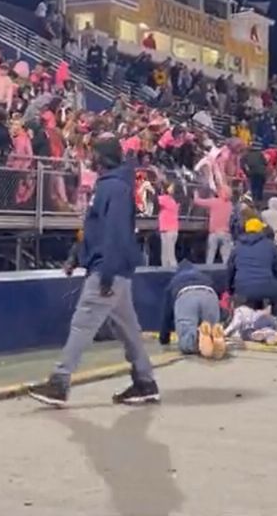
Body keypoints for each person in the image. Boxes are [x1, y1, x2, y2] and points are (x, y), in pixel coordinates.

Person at [30, 136, 159, 408]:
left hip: (107, 269)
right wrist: (76, 255)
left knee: (82, 324)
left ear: (103, 158)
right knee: (129, 331)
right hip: (112, 268)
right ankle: (145, 383)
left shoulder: (114, 188)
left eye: (93, 153)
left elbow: (115, 233)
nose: (89, 157)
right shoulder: (113, 186)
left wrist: (107, 273)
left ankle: (59, 382)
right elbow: (95, 228)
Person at [158, 261, 225, 358]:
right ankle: (212, 338)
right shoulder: (205, 277)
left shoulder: (174, 281)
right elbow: (218, 298)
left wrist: (164, 338)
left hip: (185, 295)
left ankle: (196, 343)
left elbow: (166, 315)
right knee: (211, 328)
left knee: (186, 343)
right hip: (209, 293)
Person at [226, 217, 277, 315]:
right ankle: (276, 317)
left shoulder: (237, 247)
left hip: (242, 289)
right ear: (261, 230)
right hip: (267, 288)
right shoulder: (270, 245)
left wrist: (230, 290)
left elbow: (230, 270)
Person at [193, 186, 234, 265]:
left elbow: (197, 201)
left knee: (210, 256)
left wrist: (196, 194)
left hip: (214, 233)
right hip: (226, 233)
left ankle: (208, 272)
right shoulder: (230, 205)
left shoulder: (214, 202)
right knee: (226, 258)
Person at [157, 181, 180, 267]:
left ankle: (171, 272)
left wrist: (159, 189)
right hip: (170, 230)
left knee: (168, 255)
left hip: (168, 230)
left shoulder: (165, 199)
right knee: (167, 254)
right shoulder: (172, 200)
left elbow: (156, 199)